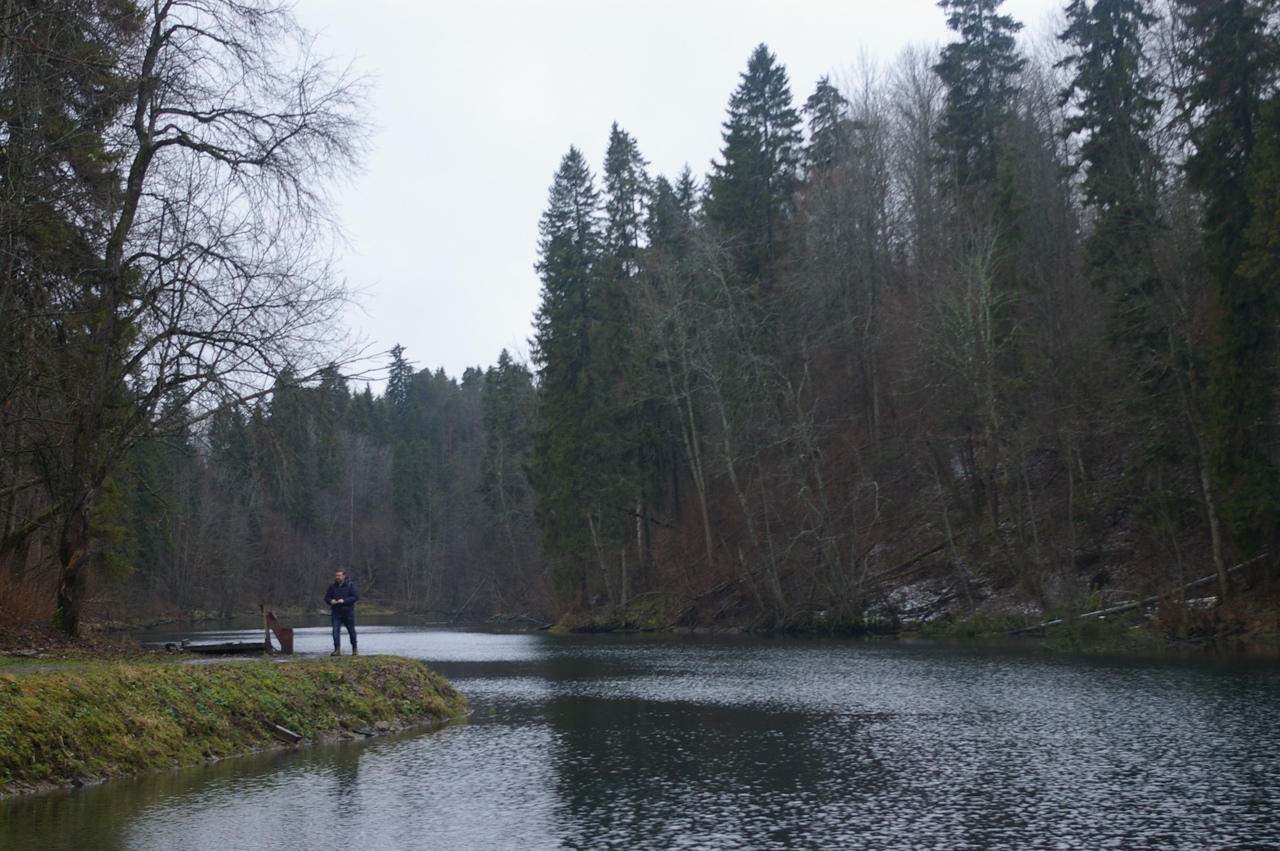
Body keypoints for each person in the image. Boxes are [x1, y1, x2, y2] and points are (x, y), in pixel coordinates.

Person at [325, 569, 359, 656]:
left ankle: (354, 649)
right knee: (335, 631)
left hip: (348, 613)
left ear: (344, 576)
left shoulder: (350, 585)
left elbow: (355, 597)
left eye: (339, 576)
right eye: (336, 575)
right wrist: (330, 601)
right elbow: (327, 597)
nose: (337, 577)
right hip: (336, 613)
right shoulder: (332, 586)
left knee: (351, 631)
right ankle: (337, 650)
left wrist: (344, 600)